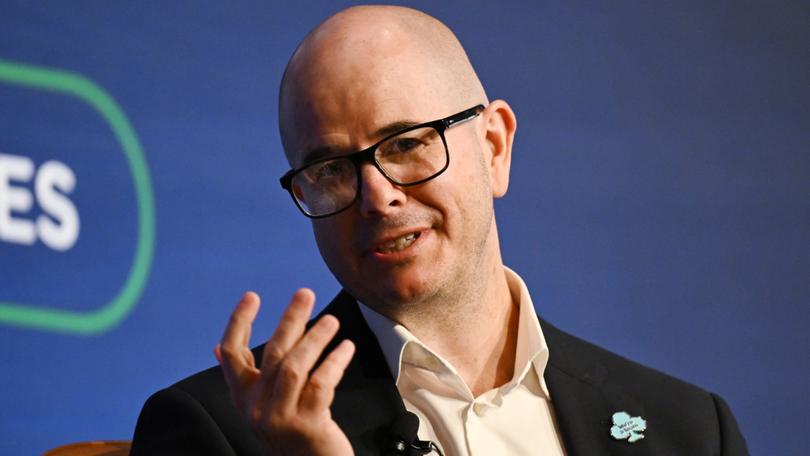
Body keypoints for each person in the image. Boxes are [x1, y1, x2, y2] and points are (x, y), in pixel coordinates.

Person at [131, 5, 749, 455]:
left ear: (494, 146)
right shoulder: (221, 431)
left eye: (405, 144)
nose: (378, 196)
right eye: (331, 169)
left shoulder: (688, 432)